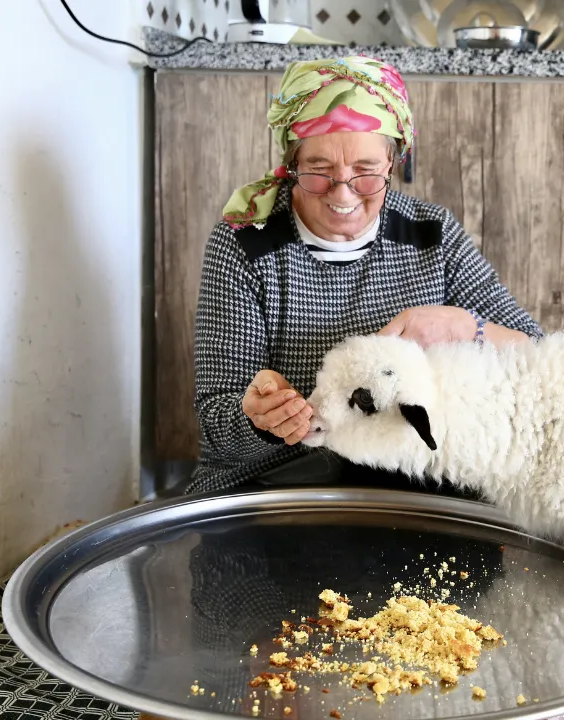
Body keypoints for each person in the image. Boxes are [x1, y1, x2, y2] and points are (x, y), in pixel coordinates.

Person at [188, 55, 542, 495]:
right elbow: (217, 423)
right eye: (318, 170)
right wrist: (260, 420)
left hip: (416, 480)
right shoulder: (246, 243)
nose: (342, 193)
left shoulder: (432, 234)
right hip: (277, 484)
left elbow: (538, 355)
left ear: (393, 161)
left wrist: (467, 327)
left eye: (365, 172)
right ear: (291, 162)